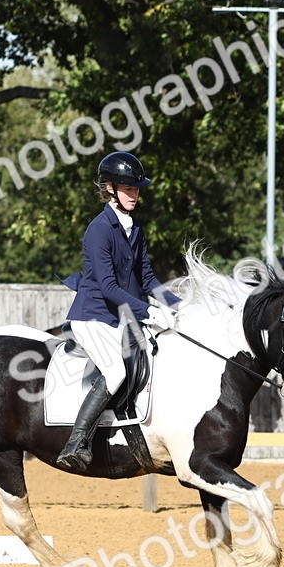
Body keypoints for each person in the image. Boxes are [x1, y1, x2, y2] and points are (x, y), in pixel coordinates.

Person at [56, 151, 181, 470]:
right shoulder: (99, 229)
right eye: (128, 188)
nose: (134, 194)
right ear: (109, 188)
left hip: (119, 317)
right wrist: (149, 312)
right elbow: (109, 287)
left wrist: (178, 306)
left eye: (136, 189)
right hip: (93, 315)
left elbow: (147, 278)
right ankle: (76, 443)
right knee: (116, 372)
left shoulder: (134, 227)